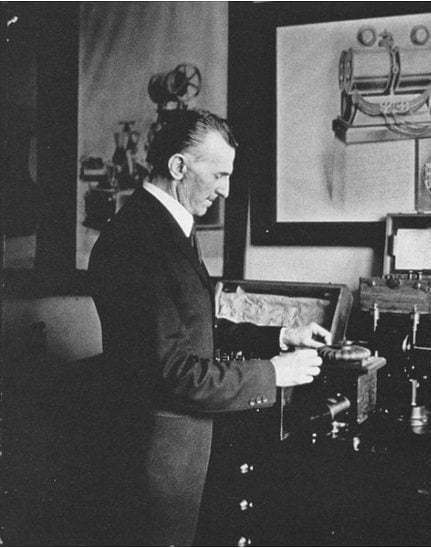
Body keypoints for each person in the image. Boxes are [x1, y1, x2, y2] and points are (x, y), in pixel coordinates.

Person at [87, 109, 330, 546]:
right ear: (178, 166)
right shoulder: (138, 242)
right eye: (219, 175)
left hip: (176, 454)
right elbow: (173, 372)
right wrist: (273, 374)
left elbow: (190, 324)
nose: (226, 190)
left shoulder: (164, 226)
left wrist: (278, 336)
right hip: (153, 463)